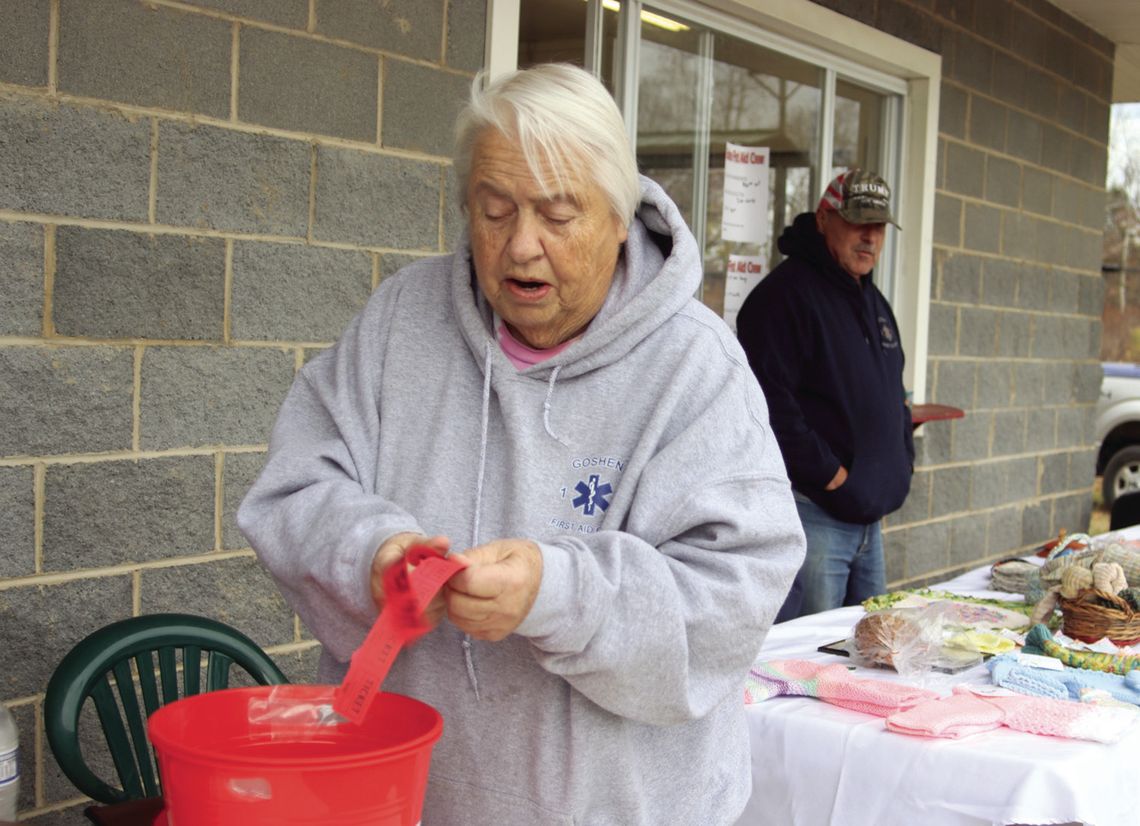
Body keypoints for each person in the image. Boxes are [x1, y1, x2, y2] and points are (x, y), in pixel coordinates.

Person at [238, 63, 804, 825]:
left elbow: (735, 594)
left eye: (558, 214)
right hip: (408, 802)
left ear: (617, 215)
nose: (520, 248)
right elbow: (296, 487)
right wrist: (370, 554)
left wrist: (558, 592)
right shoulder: (402, 319)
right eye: (494, 210)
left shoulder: (695, 367)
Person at [736, 168, 914, 622]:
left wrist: (901, 459)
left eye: (878, 227)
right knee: (810, 659)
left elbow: (893, 390)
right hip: (815, 517)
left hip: (870, 526)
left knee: (873, 654)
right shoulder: (783, 298)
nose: (870, 237)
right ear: (823, 219)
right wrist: (833, 477)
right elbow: (770, 407)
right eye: (858, 222)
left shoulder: (872, 300)